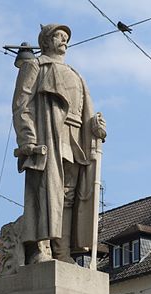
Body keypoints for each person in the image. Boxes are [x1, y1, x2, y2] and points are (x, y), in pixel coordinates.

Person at [12, 24, 106, 265]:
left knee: (69, 196)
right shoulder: (35, 65)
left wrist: (96, 127)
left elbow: (85, 111)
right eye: (58, 36)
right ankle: (38, 249)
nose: (64, 40)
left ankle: (62, 251)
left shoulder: (76, 74)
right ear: (45, 41)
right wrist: (28, 139)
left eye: (66, 37)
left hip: (75, 138)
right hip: (48, 133)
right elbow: (21, 105)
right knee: (45, 190)